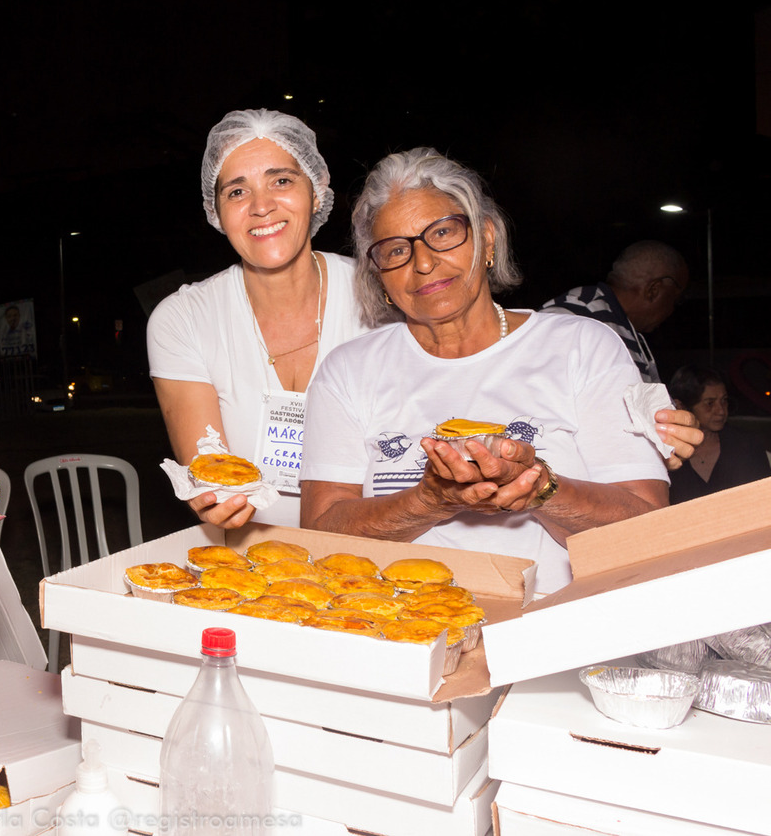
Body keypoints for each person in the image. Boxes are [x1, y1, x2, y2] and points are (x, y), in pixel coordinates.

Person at [300, 149, 671, 594]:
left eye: (442, 232)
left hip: (554, 629)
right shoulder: (349, 371)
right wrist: (428, 500)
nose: (423, 263)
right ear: (378, 275)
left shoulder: (581, 346)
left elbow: (649, 526)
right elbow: (321, 535)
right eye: (396, 250)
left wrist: (541, 488)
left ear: (488, 238)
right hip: (398, 632)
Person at [147, 109, 366, 528]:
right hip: (253, 566)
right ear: (217, 212)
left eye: (281, 181)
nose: (261, 206)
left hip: (379, 559)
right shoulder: (183, 320)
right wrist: (214, 499)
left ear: (317, 190)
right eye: (236, 191)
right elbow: (211, 476)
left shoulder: (380, 296)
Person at [542, 240, 689, 383]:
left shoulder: (625, 329)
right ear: (653, 290)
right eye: (676, 300)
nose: (671, 311)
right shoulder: (574, 313)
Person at [667, 365, 771, 503]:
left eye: (724, 400)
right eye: (709, 403)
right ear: (681, 406)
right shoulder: (666, 454)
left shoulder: (746, 446)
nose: (721, 411)